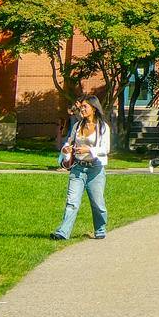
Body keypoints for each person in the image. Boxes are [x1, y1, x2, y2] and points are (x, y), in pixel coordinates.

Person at [52, 99, 111, 240]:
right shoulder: (78, 126)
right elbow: (69, 141)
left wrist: (89, 149)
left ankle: (100, 229)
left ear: (94, 108)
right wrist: (66, 148)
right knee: (71, 202)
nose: (82, 109)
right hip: (78, 168)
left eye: (85, 106)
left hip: (95, 170)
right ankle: (63, 232)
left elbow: (106, 149)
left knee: (98, 204)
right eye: (82, 107)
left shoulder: (103, 127)